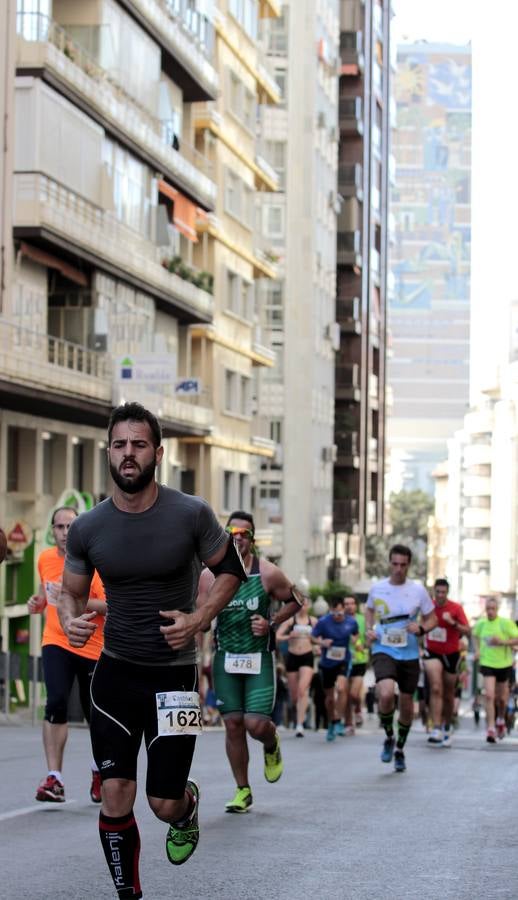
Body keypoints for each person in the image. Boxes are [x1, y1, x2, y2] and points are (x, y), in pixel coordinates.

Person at [58, 402, 247, 900]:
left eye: (138, 444)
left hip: (175, 679)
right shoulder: (88, 527)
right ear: (108, 452)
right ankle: (129, 893)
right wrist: (69, 620)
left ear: (157, 453)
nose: (128, 453)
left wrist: (199, 619)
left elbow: (232, 572)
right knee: (116, 792)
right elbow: (70, 591)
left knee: (162, 803)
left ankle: (186, 807)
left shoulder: (191, 513)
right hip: (115, 675)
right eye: (119, 444)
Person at [197, 510, 304, 815]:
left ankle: (271, 744)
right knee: (232, 724)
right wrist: (200, 621)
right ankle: (242, 789)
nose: (238, 538)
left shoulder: (268, 573)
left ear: (253, 540)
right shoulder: (209, 575)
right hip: (225, 658)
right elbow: (201, 619)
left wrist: (271, 621)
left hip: (258, 659)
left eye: (245, 534)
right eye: (233, 532)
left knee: (254, 724)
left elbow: (297, 599)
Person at [27, 506, 106, 803]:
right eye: (59, 527)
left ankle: (100, 770)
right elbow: (46, 595)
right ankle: (54, 778)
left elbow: (109, 606)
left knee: (94, 713)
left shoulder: (95, 562)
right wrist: (37, 602)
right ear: (52, 530)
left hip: (91, 643)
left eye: (70, 526)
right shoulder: (44, 558)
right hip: (56, 640)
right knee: (56, 701)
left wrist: (76, 599)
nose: (64, 533)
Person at [366, 544, 437, 772]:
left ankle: (400, 749)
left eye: (403, 565)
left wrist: (422, 628)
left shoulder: (418, 591)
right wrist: (369, 629)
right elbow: (368, 610)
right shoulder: (377, 588)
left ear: (408, 565)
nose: (398, 569)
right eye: (395, 564)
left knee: (407, 704)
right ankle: (389, 736)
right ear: (390, 563)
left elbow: (432, 619)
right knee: (385, 693)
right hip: (383, 648)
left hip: (409, 652)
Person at [422, 578, 470, 747]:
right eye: (438, 592)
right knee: (435, 687)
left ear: (447, 593)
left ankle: (447, 726)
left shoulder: (455, 608)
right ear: (434, 592)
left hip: (451, 653)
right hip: (432, 652)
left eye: (443, 592)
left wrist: (453, 623)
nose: (440, 595)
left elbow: (468, 630)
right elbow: (420, 625)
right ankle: (436, 728)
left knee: (449, 694)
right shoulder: (427, 607)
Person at [312, 597, 358, 741]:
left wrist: (355, 640)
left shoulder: (351, 622)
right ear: (331, 610)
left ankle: (338, 720)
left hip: (343, 660)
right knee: (330, 698)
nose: (338, 615)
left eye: (340, 612)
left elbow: (355, 633)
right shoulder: (324, 622)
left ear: (344, 609)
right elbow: (312, 637)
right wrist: (322, 642)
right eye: (335, 612)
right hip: (327, 663)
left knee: (342, 688)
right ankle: (332, 722)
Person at [472, 597, 518, 742]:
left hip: (503, 664)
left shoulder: (505, 623)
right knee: (490, 696)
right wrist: (478, 650)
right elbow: (474, 636)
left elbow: (516, 639)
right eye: (488, 609)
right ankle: (491, 728)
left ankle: (500, 720)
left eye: (493, 609)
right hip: (487, 663)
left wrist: (502, 642)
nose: (490, 612)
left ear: (497, 609)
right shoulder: (481, 624)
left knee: (502, 700)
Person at [275, 596, 317, 736]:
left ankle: (300, 725)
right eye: (300, 605)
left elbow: (320, 638)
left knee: (302, 690)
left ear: (308, 606)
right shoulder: (290, 621)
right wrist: (289, 637)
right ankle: (298, 713)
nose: (302, 607)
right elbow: (277, 636)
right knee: (293, 695)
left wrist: (316, 643)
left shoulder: (313, 621)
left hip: (307, 656)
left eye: (305, 605)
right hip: (292, 656)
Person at [344, 596, 368, 735]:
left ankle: (358, 708)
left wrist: (361, 645)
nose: (349, 606)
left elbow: (367, 639)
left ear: (356, 606)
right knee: (346, 694)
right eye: (346, 604)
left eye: (352, 603)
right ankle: (348, 724)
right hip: (344, 661)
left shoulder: (362, 620)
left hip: (360, 660)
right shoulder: (339, 620)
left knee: (354, 694)